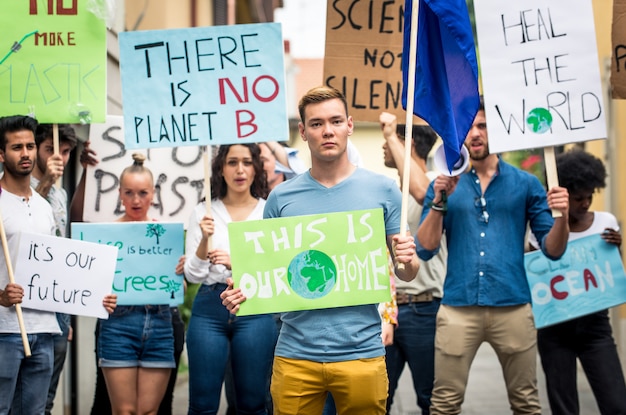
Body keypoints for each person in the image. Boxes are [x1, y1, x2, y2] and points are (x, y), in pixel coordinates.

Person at [221, 86, 420, 415]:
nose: (327, 130)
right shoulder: (281, 198)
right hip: (295, 356)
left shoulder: (384, 189)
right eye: (316, 124)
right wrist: (240, 292)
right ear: (303, 131)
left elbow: (405, 274)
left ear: (350, 125)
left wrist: (407, 260)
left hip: (362, 353)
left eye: (335, 121)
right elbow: (266, 274)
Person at [415, 98, 570, 415]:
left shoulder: (526, 184)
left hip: (512, 306)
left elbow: (554, 250)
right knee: (443, 404)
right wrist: (440, 200)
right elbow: (424, 249)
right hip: (458, 307)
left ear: (498, 130)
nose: (474, 133)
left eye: (482, 125)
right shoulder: (444, 183)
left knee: (526, 403)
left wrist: (563, 217)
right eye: (467, 127)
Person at [0, 115, 115, 415]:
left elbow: (60, 257)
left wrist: (91, 297)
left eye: (29, 145)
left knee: (38, 408)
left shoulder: (48, 203)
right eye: (17, 147)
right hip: (7, 328)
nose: (25, 153)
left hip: (48, 324)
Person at [184, 143, 277, 415]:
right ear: (220, 169)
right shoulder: (203, 212)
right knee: (202, 404)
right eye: (232, 162)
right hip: (209, 308)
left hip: (255, 307)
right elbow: (192, 274)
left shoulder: (268, 212)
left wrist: (236, 263)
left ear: (256, 168)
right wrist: (203, 239)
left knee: (252, 403)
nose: (239, 170)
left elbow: (277, 270)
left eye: (247, 162)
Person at [533, 149, 626, 415]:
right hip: (555, 327)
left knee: (617, 404)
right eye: (578, 198)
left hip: (595, 326)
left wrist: (616, 248)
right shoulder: (543, 230)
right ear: (563, 195)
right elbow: (534, 269)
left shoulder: (606, 222)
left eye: (589, 197)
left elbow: (607, 274)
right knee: (564, 408)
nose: (585, 203)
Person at [97, 153, 176, 415]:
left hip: (160, 322)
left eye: (142, 193)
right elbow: (92, 287)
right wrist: (102, 297)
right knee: (124, 412)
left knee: (148, 412)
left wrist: (178, 273)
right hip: (118, 324)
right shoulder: (106, 235)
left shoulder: (166, 235)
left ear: (153, 193)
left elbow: (178, 291)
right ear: (119, 193)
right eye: (129, 193)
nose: (136, 200)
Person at [379, 112, 446, 415]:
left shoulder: (435, 184)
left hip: (425, 309)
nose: (384, 144)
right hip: (388, 313)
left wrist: (393, 135)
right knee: (378, 397)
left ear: (411, 145)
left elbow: (421, 192)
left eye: (390, 140)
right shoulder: (387, 194)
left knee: (430, 399)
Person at [31, 123, 78, 415]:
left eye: (65, 151)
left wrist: (68, 313)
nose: (58, 157)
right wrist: (46, 180)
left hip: (58, 305)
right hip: (28, 299)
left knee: (48, 393)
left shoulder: (61, 195)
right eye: (50, 149)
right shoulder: (12, 186)